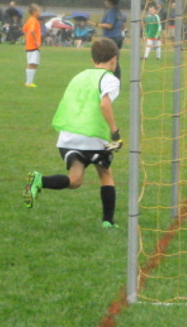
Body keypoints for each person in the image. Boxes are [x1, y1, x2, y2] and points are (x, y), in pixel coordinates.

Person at [23, 38, 122, 229]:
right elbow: (105, 104)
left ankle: (39, 180)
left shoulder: (79, 76)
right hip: (92, 136)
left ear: (93, 59)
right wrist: (114, 133)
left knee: (75, 180)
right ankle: (108, 221)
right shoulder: (109, 78)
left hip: (67, 137)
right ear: (114, 59)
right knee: (105, 173)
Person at [22, 4, 42, 87]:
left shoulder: (29, 20)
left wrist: (27, 39)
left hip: (29, 45)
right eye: (38, 11)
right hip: (33, 46)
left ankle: (29, 82)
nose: (39, 12)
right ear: (34, 12)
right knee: (32, 63)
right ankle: (29, 82)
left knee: (32, 63)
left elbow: (24, 29)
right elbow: (32, 31)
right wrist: (36, 41)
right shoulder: (33, 20)